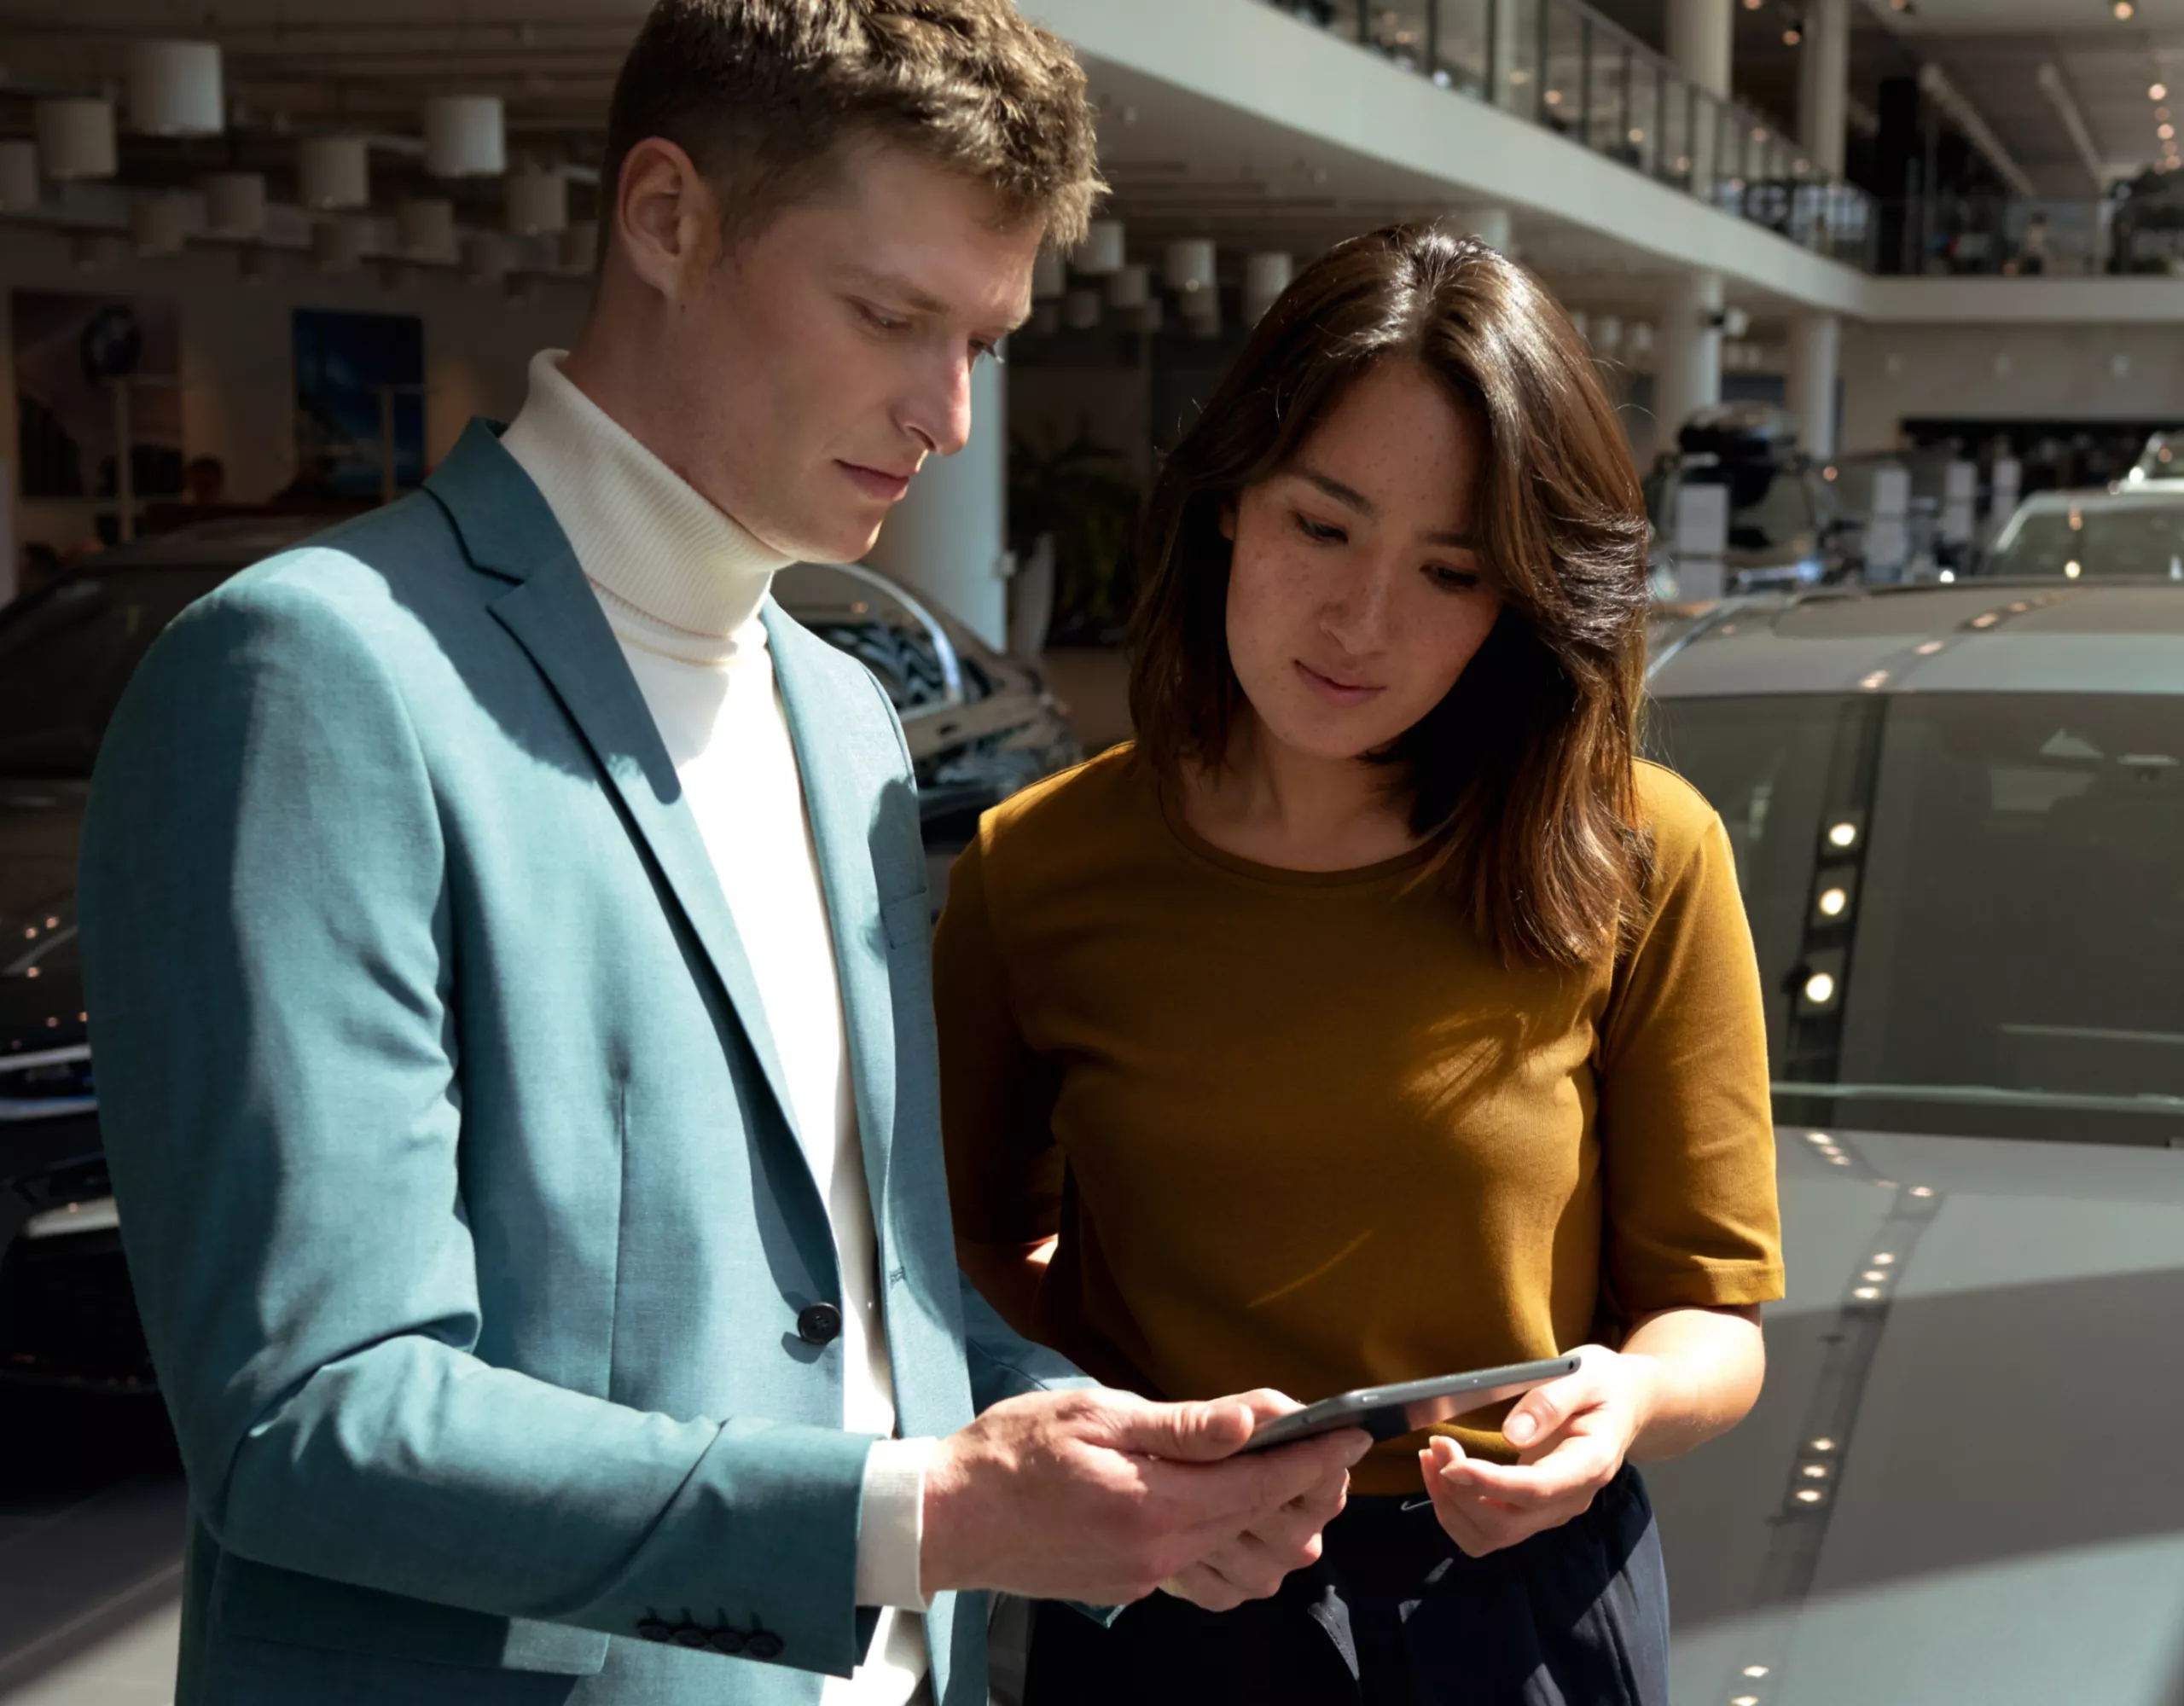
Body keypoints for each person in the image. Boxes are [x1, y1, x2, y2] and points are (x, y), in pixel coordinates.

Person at [73, 5, 1364, 1705]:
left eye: (983, 339)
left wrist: (1056, 1436)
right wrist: (928, 1516)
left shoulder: (836, 720)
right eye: (890, 316)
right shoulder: (319, 676)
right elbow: (314, 1415)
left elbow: (841, 1298)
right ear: (666, 218)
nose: (947, 415)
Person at [934, 224, 1785, 1705]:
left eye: (1450, 570)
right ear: (1224, 507)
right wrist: (1110, 1444)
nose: (1360, 621)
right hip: (1168, 1592)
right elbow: (963, 1263)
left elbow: (1713, 1318)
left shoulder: (1639, 851)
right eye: (1321, 528)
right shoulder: (1040, 867)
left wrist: (1626, 1397)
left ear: (1520, 601)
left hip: (1520, 1603)